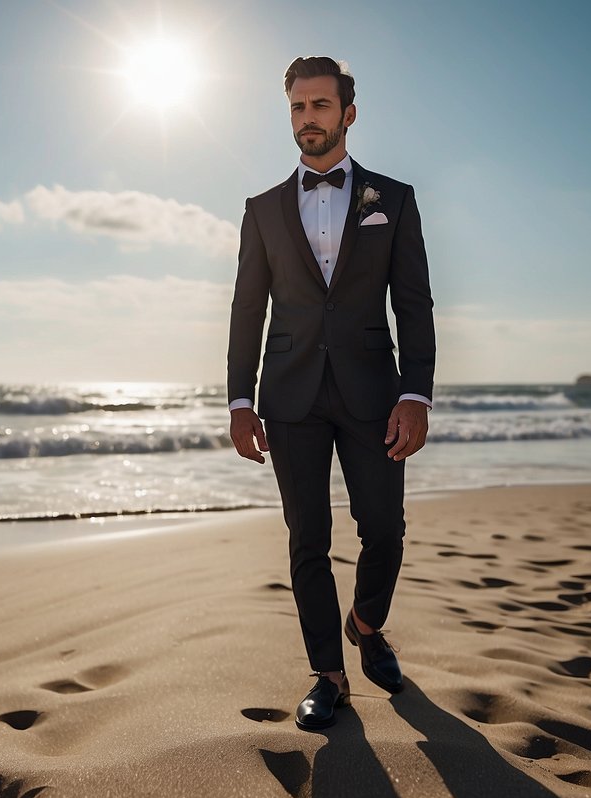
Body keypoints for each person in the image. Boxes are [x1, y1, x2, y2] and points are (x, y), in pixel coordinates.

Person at [226, 56, 436, 731]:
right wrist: (238, 401)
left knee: (384, 528)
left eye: (319, 105)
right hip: (288, 397)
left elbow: (413, 304)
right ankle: (328, 674)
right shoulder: (261, 210)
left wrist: (417, 394)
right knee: (306, 538)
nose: (306, 118)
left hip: (374, 391)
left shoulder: (391, 199)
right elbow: (245, 310)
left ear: (347, 112)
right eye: (296, 106)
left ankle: (366, 623)